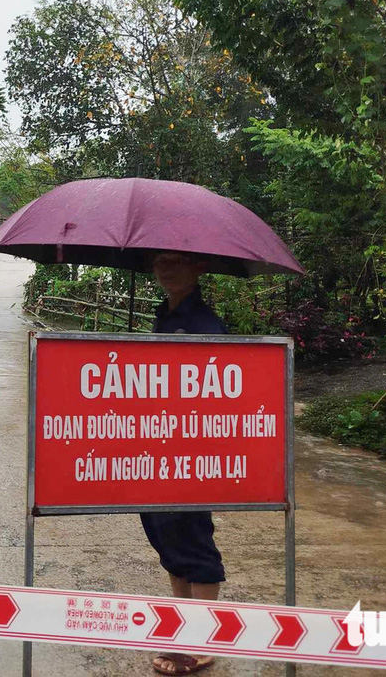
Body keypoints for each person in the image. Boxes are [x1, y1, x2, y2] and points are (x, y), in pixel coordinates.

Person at [143, 251, 226, 676]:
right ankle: (181, 630)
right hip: (158, 445)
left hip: (189, 451)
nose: (166, 270)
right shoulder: (164, 313)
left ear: (200, 269)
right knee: (164, 535)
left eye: (177, 262)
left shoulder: (204, 323)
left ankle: (202, 641)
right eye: (160, 263)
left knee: (191, 537)